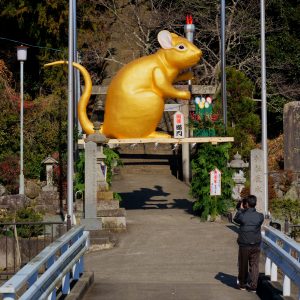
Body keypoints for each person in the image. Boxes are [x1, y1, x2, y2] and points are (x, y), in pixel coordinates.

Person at [233, 195, 264, 292]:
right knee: (254, 265)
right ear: (255, 203)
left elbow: (235, 219)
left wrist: (240, 209)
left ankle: (242, 284)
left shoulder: (242, 216)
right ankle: (253, 286)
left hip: (244, 244)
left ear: (246, 204)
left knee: (243, 264)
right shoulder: (260, 216)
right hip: (256, 244)